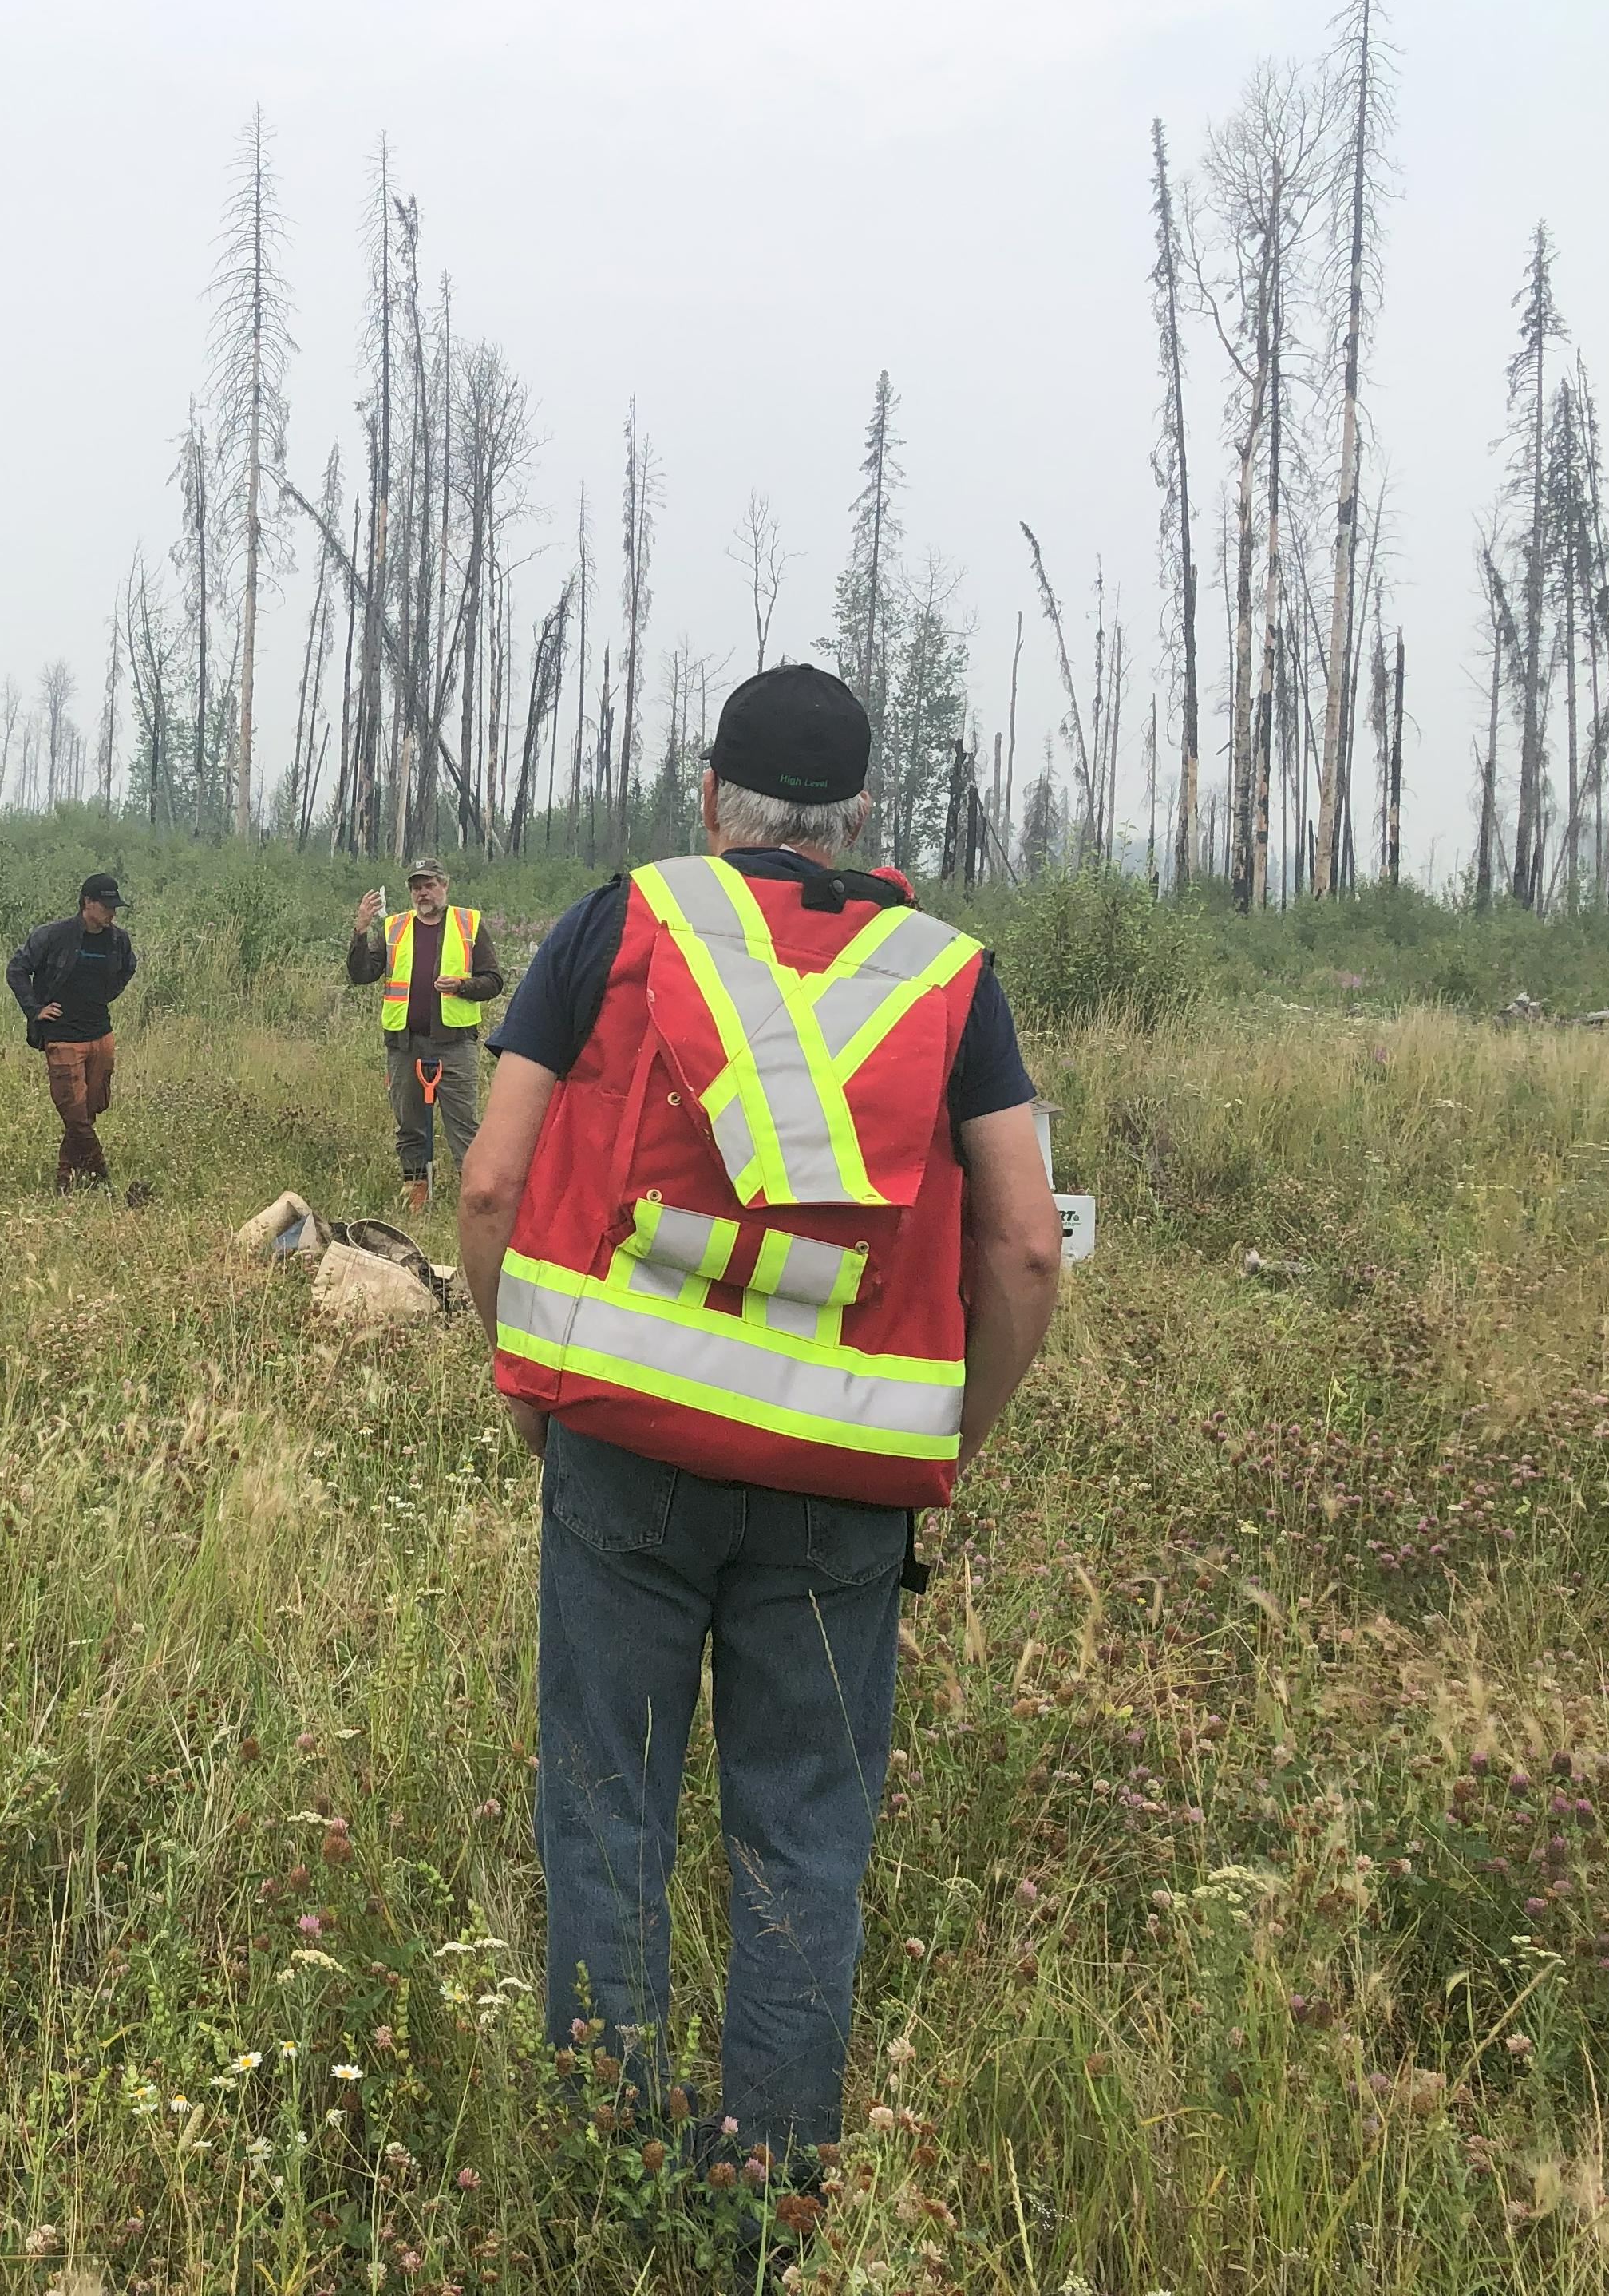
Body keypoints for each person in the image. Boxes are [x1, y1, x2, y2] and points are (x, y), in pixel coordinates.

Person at [457, 665, 1061, 2272]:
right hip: (847, 1492)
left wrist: (530, 1386)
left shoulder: (621, 923)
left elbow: (489, 1182)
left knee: (603, 1812)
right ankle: (762, 2229)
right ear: (863, 820)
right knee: (802, 1836)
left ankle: (607, 2200)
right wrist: (941, 1449)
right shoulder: (952, 976)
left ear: (711, 796)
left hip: (624, 1455)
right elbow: (1022, 1248)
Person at [345, 855, 500, 1212]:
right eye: (416, 887)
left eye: (429, 885)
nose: (423, 893)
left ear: (444, 886)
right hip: (404, 1042)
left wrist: (463, 985)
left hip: (455, 1043)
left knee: (463, 1123)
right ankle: (417, 1189)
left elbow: (494, 981)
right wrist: (361, 929)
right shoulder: (394, 928)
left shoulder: (469, 924)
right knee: (410, 1121)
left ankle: (472, 1196)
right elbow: (362, 974)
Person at [4, 872, 136, 1190]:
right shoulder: (53, 936)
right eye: (106, 907)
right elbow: (17, 969)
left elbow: (128, 968)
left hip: (100, 1034)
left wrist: (106, 994)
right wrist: (36, 1010)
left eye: (114, 908)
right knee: (74, 1113)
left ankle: (66, 1179)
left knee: (90, 1110)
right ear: (87, 903)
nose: (112, 914)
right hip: (63, 1037)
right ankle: (100, 1174)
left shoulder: (118, 940)